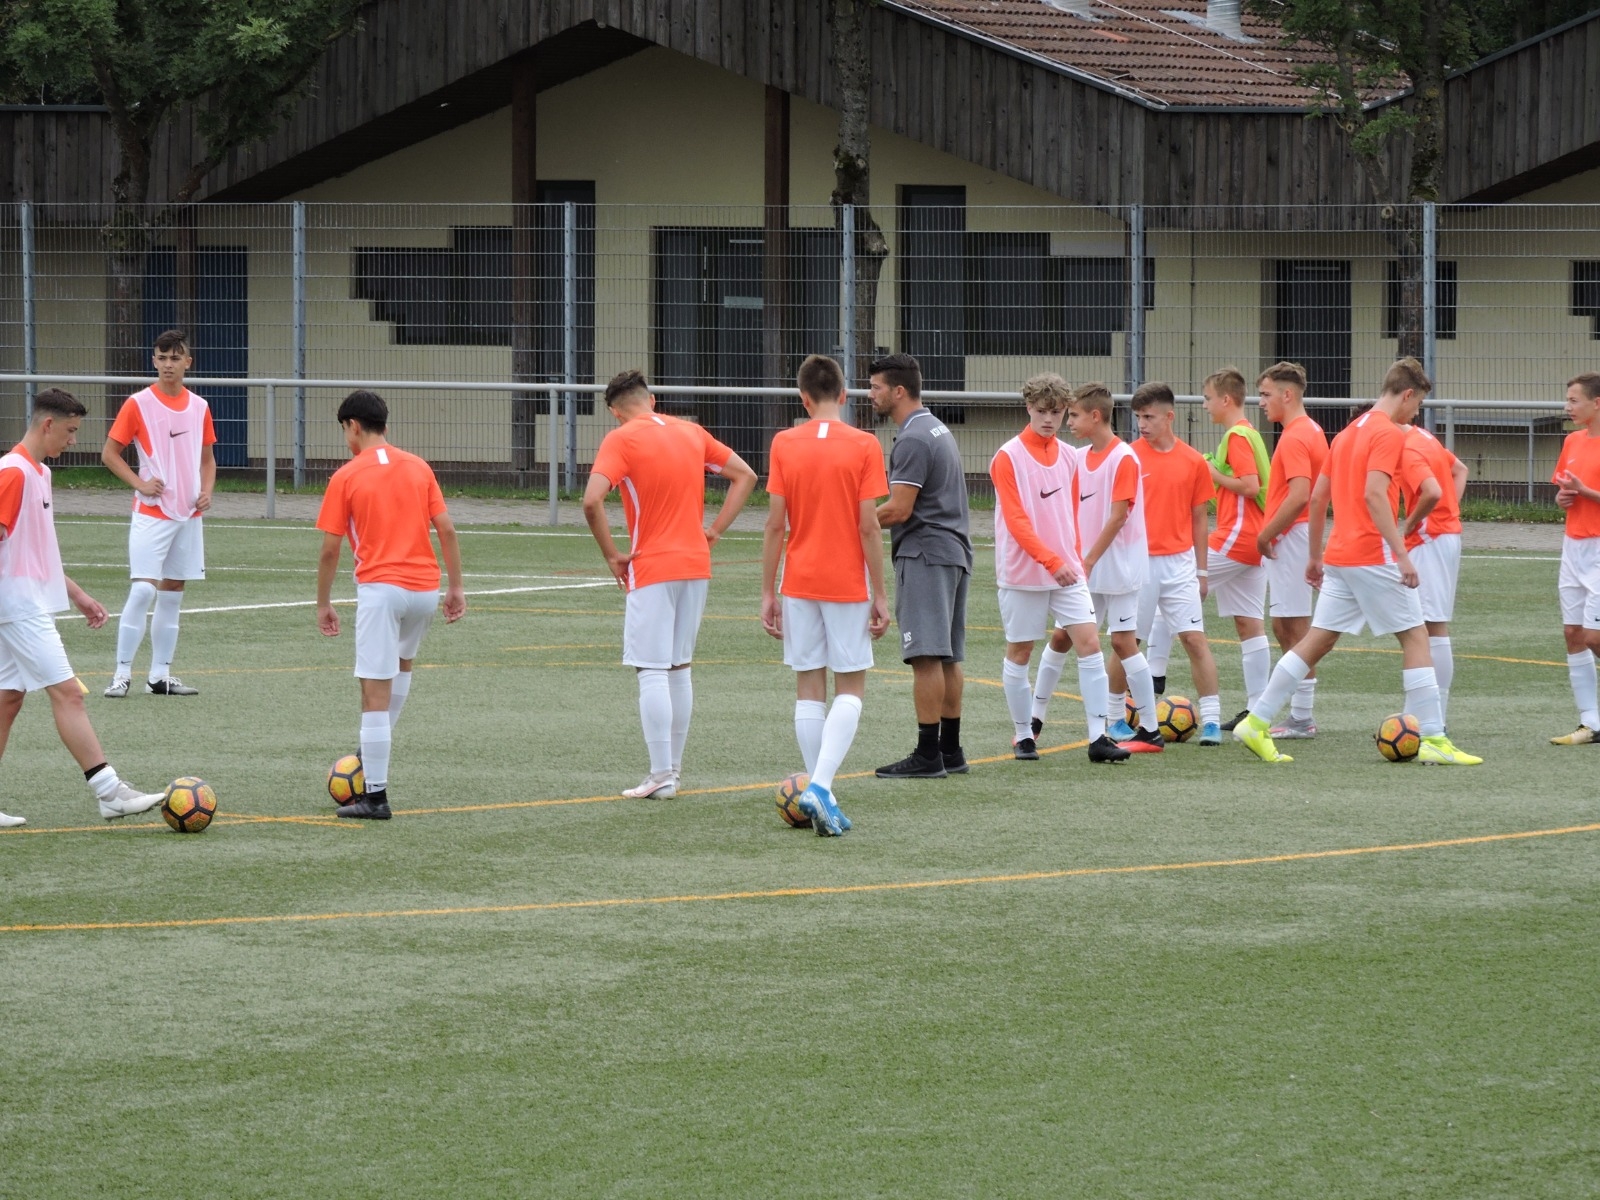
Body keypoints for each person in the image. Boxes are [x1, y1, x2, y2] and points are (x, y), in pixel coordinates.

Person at [1234, 359, 1482, 766]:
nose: (1415, 413)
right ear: (1407, 394)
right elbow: (1373, 494)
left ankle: (1257, 721)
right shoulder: (1387, 432)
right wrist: (1401, 554)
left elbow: (1319, 498)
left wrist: (1316, 556)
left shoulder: (1348, 433)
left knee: (1317, 640)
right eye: (1417, 403)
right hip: (1372, 555)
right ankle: (1435, 737)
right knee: (1416, 637)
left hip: (1340, 556)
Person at [583, 370, 757, 798]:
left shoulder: (621, 439)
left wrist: (612, 555)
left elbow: (591, 500)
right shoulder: (691, 431)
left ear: (614, 412)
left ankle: (660, 773)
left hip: (652, 565)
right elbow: (747, 476)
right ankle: (672, 772)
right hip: (695, 564)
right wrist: (714, 531)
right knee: (679, 667)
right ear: (652, 400)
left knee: (651, 669)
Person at [0, 389, 167, 827]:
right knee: (69, 693)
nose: (74, 440)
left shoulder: (39, 473)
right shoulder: (13, 473)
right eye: (70, 431)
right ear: (48, 425)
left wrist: (77, 594)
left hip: (23, 603)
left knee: (8, 699)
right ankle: (109, 792)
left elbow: (35, 550)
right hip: (17, 606)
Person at [315, 390, 466, 820]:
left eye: (344, 430)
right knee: (401, 665)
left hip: (381, 591)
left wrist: (323, 603)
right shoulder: (418, 467)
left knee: (372, 692)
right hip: (425, 590)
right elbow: (447, 529)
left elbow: (330, 550)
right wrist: (456, 587)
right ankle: (369, 750)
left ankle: (375, 796)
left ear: (353, 426)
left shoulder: (346, 476)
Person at [760, 355, 890, 835]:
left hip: (799, 582)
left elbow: (775, 524)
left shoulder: (783, 443)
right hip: (846, 583)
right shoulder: (864, 444)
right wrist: (881, 593)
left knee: (809, 688)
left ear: (803, 398)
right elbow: (869, 526)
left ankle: (822, 792)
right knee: (851, 687)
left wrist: (767, 591)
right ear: (843, 394)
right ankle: (821, 787)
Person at [989, 373, 1129, 765]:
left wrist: (1075, 559)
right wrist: (1052, 561)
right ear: (1028, 408)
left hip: (1067, 572)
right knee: (1021, 651)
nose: (1050, 419)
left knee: (1090, 644)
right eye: (1042, 411)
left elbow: (1071, 515)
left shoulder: (1070, 456)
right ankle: (1023, 735)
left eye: (1057, 412)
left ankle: (1098, 737)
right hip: (1023, 573)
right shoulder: (1007, 456)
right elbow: (1016, 521)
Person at [101, 329, 215, 698]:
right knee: (142, 590)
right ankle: (121, 674)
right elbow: (110, 454)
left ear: (187, 362)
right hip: (152, 513)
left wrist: (206, 492)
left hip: (187, 516)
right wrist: (140, 483)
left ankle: (159, 676)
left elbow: (208, 460)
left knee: (173, 591)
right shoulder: (138, 404)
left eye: (175, 358)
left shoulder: (199, 407)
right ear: (154, 361)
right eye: (162, 358)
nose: (168, 364)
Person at [1051, 382, 1159, 751]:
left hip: (1119, 568)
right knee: (1062, 637)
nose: (1068, 422)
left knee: (1123, 642)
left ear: (1095, 416)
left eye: (1074, 415)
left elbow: (1118, 516)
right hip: (1089, 569)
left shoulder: (1123, 457)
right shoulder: (1078, 457)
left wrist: (1089, 559)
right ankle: (1034, 720)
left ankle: (1150, 730)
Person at [1126, 382, 1226, 745]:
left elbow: (1200, 518)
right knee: (1127, 642)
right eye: (1139, 417)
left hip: (1180, 565)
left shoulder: (1193, 461)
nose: (1142, 424)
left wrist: (1202, 571)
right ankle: (1114, 716)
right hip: (1139, 564)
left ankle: (1211, 721)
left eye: (1149, 417)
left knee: (1194, 640)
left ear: (1169, 417)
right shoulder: (1129, 457)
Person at [1253, 362, 1328, 739]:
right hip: (1298, 537)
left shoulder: (1297, 436)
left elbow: (1300, 495)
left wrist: (1265, 534)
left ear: (1287, 394)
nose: (1261, 402)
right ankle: (1300, 714)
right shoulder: (1310, 430)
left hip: (1291, 537)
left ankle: (1301, 717)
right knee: (1288, 626)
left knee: (1294, 628)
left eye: (1266, 394)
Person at [1202, 367, 1272, 730]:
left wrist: (1210, 472)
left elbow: (1249, 485)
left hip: (1238, 537)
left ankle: (1148, 686)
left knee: (1172, 591)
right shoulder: (1248, 433)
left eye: (1208, 398)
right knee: (1249, 624)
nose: (1205, 405)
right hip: (1253, 541)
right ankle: (1257, 711)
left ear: (1226, 400)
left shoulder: (1237, 436)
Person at [1400, 419, 1468, 728]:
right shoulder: (1424, 437)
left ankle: (1434, 719)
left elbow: (1431, 492)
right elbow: (1460, 470)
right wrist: (1449, 512)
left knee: (1429, 627)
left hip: (1429, 540)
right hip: (1440, 536)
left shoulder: (1409, 448)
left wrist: (1411, 522)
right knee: (1423, 625)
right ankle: (1423, 713)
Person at [1551, 372, 1600, 745]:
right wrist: (1564, 497)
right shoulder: (1572, 441)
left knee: (1593, 635)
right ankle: (1590, 723)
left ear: (1596, 403)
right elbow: (1564, 492)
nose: (1568, 406)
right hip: (1573, 546)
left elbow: (1587, 491)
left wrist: (1587, 492)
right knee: (1573, 634)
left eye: (1574, 400)